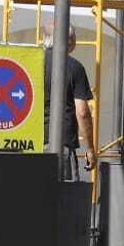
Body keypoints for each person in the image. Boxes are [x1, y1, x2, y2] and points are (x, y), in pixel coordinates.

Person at [43, 21, 96, 179]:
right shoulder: (74, 67)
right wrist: (90, 149)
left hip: (31, 143)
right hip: (62, 144)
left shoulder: (32, 62)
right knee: (63, 198)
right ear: (70, 40)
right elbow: (82, 112)